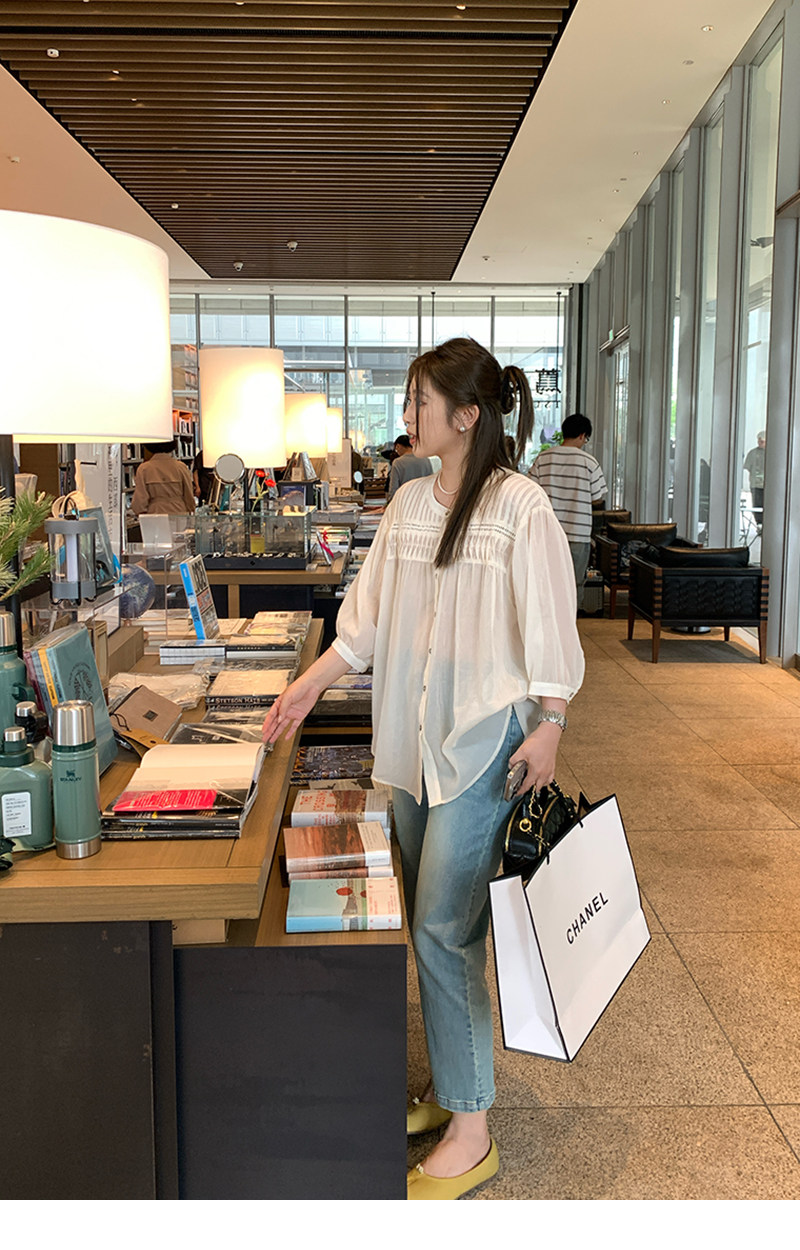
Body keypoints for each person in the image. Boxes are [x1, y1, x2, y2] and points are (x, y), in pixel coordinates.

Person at [263, 337, 584, 1200]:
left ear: (467, 415)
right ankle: (452, 1086)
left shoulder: (519, 508)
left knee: (444, 926)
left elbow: (552, 628)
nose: (407, 417)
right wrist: (306, 688)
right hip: (409, 743)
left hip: (484, 745)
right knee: (436, 925)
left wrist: (552, 724)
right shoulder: (409, 504)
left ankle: (472, 1131)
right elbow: (365, 624)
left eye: (419, 403)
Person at [528, 413, 606, 610]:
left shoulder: (543, 458)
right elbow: (598, 498)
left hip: (547, 532)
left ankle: (545, 622)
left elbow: (530, 489)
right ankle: (570, 622)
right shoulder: (590, 462)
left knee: (545, 581)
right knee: (574, 583)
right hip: (578, 533)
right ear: (582, 435)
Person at [130, 440, 195, 516]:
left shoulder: (144, 469)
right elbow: (189, 495)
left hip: (155, 513)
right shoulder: (181, 467)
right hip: (179, 513)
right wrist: (191, 509)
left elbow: (140, 501)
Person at [386, 433, 434, 502]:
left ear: (398, 446)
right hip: (423, 501)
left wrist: (390, 502)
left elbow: (393, 488)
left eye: (396, 449)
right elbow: (431, 483)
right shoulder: (425, 459)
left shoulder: (398, 462)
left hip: (404, 501)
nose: (397, 452)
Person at [744, 430, 766, 524]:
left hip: (767, 485)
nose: (760, 443)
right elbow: (748, 467)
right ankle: (759, 523)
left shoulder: (772, 454)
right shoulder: (752, 453)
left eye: (762, 441)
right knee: (757, 505)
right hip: (756, 485)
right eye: (759, 441)